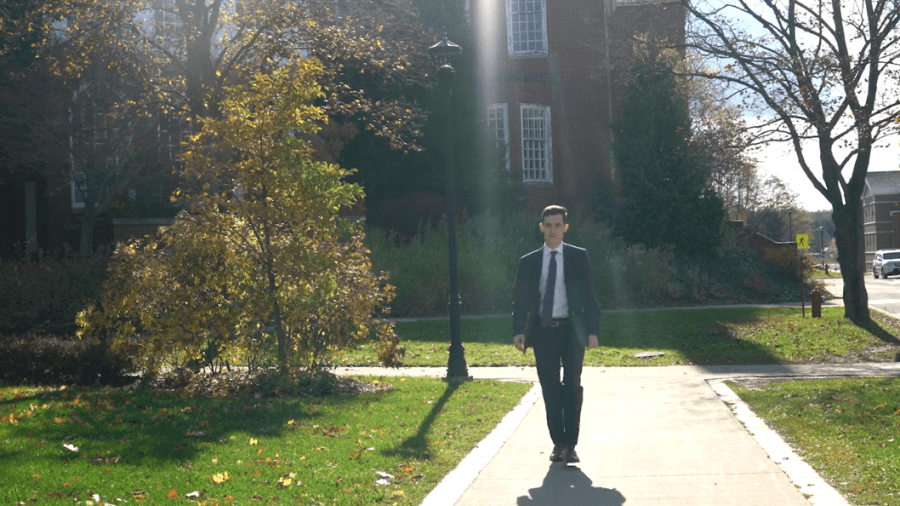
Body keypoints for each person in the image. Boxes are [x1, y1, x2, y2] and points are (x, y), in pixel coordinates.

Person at [512, 205, 600, 464]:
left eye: (557, 225)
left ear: (565, 228)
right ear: (541, 228)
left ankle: (570, 445)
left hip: (572, 332)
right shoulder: (528, 262)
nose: (553, 231)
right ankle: (558, 443)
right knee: (550, 389)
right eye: (548, 226)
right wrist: (518, 331)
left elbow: (589, 295)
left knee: (571, 386)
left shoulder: (578, 257)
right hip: (543, 332)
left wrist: (593, 331)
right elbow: (520, 300)